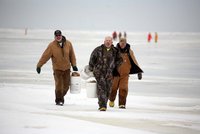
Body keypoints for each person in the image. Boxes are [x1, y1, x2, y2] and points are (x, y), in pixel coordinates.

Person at [36, 30, 78, 106]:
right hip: (57, 69)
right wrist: (39, 65)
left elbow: (72, 55)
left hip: (67, 69)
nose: (58, 37)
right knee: (59, 85)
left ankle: (60, 97)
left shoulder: (68, 43)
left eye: (59, 35)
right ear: (55, 36)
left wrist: (74, 65)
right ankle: (59, 100)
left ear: (61, 35)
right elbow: (45, 56)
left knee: (66, 86)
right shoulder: (51, 45)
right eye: (56, 36)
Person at [88, 36, 122, 111]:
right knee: (102, 88)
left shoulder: (115, 51)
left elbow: (120, 60)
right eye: (106, 40)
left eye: (109, 40)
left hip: (110, 73)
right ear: (104, 41)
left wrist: (115, 66)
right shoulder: (98, 50)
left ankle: (104, 103)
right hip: (99, 72)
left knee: (108, 89)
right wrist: (91, 68)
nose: (108, 42)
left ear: (112, 42)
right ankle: (102, 105)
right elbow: (92, 59)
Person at [109, 38, 143, 109]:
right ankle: (111, 100)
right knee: (113, 88)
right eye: (121, 44)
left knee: (123, 89)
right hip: (115, 74)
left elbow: (134, 60)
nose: (122, 45)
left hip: (125, 75)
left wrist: (139, 71)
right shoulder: (114, 50)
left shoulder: (129, 51)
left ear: (126, 43)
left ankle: (122, 104)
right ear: (119, 43)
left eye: (123, 44)